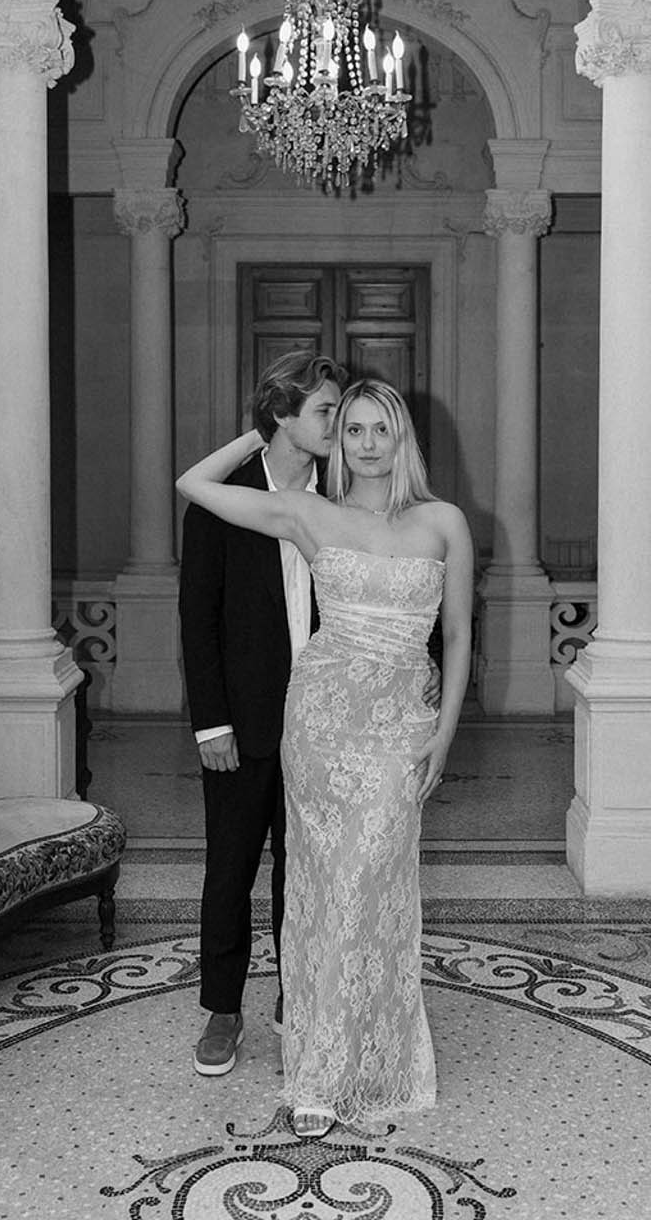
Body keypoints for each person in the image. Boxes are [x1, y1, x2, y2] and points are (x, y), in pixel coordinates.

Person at [176, 377, 474, 1137]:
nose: (367, 444)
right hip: (321, 722)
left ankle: (371, 1054)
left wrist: (442, 734)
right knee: (323, 887)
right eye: (352, 430)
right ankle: (318, 1070)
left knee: (373, 883)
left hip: (401, 726)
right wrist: (258, 431)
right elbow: (192, 484)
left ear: (402, 439)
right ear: (334, 442)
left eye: (381, 430)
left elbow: (461, 637)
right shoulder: (310, 514)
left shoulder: (445, 524)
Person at [178, 350, 344, 1079]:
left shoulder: (347, 499)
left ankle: (294, 999)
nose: (338, 425)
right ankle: (222, 1007)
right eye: (325, 412)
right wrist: (210, 722)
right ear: (282, 417)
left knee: (305, 872)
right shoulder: (223, 499)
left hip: (323, 724)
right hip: (240, 723)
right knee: (231, 867)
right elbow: (198, 622)